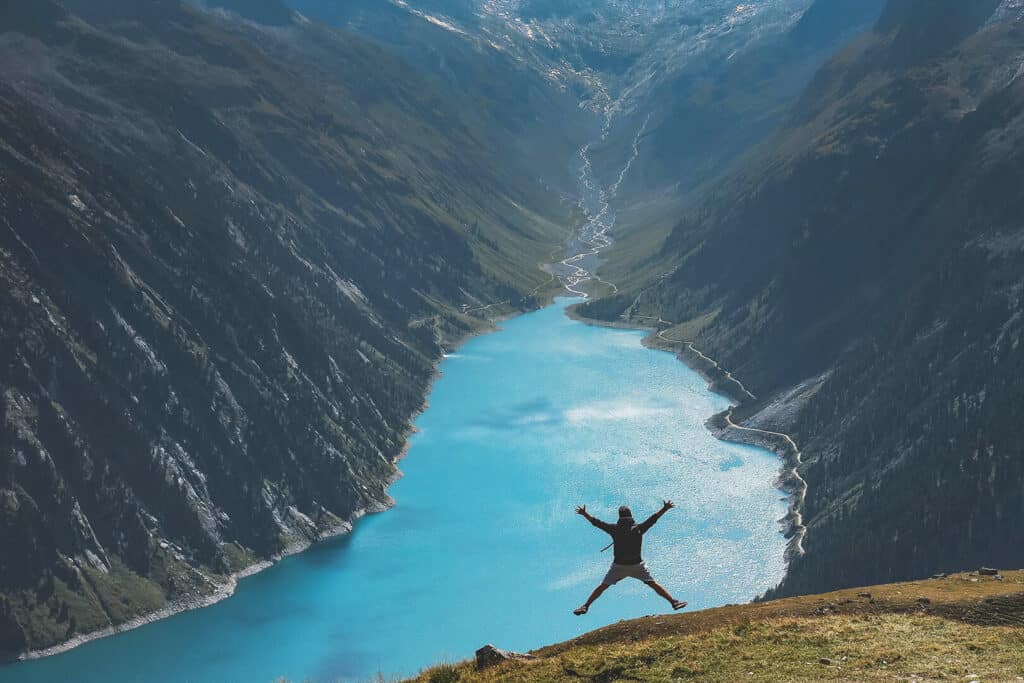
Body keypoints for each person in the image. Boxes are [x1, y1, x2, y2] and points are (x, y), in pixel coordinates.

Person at [573, 501, 687, 615]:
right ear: (631, 516)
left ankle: (585, 606)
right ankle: (673, 602)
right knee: (653, 584)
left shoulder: (614, 528)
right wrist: (665, 508)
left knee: (603, 586)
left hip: (619, 566)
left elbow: (596, 523)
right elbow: (653, 519)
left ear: (619, 517)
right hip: (637, 565)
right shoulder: (638, 528)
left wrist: (584, 514)